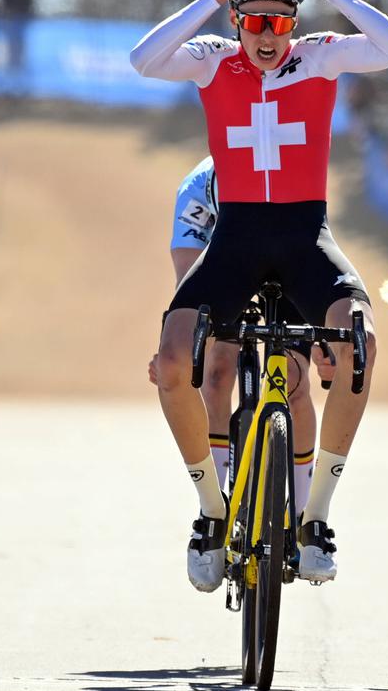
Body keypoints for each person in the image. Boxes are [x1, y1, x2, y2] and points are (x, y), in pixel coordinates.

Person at [129, 0, 388, 591]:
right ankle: (209, 512)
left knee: (361, 346)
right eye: (253, 20)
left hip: (304, 237)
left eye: (279, 23)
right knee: (176, 360)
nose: (266, 36)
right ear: (236, 21)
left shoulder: (319, 58)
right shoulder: (213, 63)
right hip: (234, 243)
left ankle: (315, 518)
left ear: (295, 24)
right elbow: (144, 60)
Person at [147, 157, 331, 516]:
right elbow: (188, 291)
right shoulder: (196, 192)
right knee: (215, 371)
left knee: (294, 380)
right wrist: (178, 350)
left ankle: (304, 514)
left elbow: (316, 272)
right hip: (222, 266)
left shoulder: (284, 174)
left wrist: (326, 345)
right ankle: (213, 510)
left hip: (285, 260)